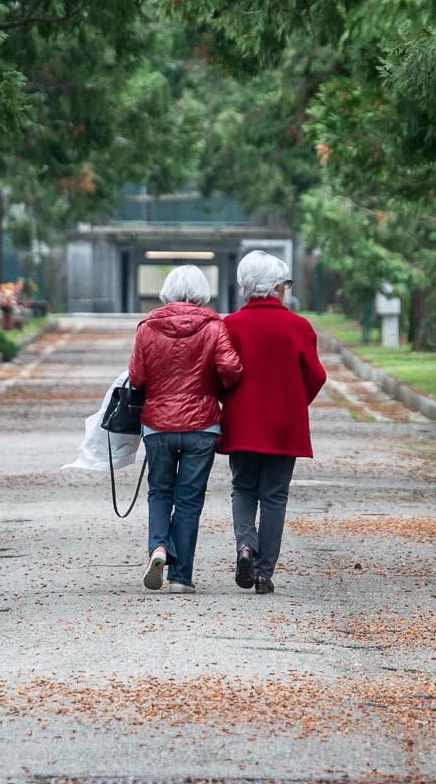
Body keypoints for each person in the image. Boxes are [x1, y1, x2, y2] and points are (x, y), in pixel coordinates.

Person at [128, 265, 243, 593]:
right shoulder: (214, 326)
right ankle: (181, 577)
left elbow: (136, 377)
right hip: (202, 425)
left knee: (159, 491)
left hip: (158, 424)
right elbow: (231, 369)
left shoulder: (147, 327)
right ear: (202, 292)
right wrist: (213, 386)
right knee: (190, 499)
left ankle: (159, 547)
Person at [219, 252, 326, 595]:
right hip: (284, 424)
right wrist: (295, 401)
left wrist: (229, 400)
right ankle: (264, 573)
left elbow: (220, 373)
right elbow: (316, 376)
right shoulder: (299, 327)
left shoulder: (230, 326)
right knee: (275, 496)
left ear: (246, 288)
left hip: (241, 421)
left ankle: (245, 546)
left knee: (244, 488)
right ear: (278, 288)